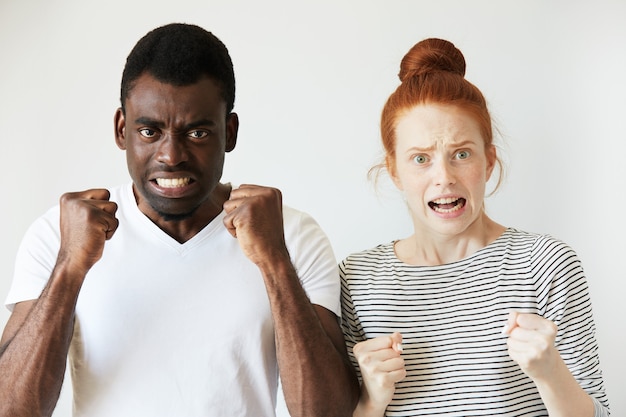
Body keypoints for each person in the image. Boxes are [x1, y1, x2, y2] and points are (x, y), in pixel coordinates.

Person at [0, 23, 359, 417]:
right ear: (123, 129)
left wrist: (274, 261)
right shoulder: (59, 234)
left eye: (198, 133)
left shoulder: (290, 234)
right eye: (150, 131)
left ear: (230, 131)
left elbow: (329, 413)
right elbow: (11, 409)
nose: (171, 156)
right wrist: (69, 268)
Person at [339, 38, 610, 417]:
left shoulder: (546, 264)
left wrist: (551, 374)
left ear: (489, 161)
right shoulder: (358, 279)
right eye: (421, 158)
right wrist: (371, 401)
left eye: (461, 154)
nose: (444, 178)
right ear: (394, 170)